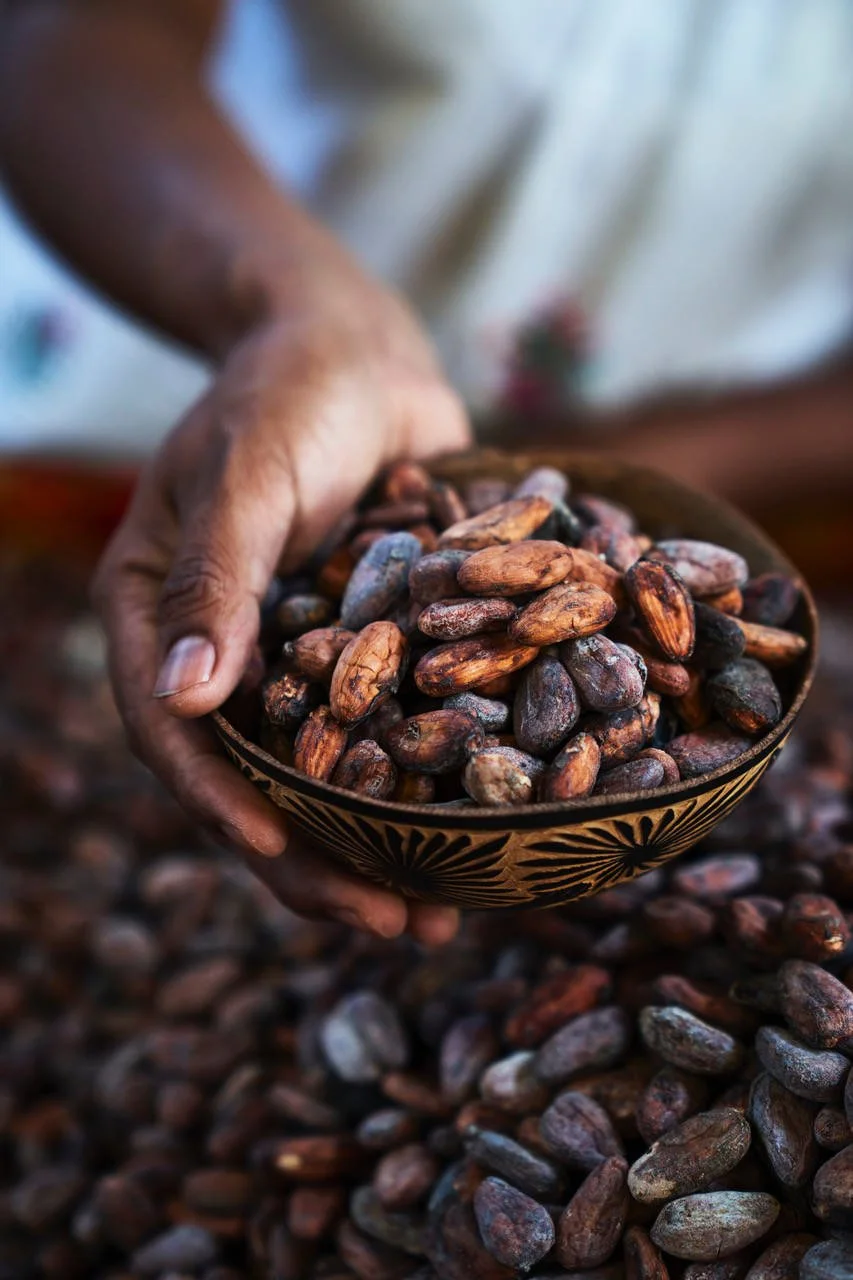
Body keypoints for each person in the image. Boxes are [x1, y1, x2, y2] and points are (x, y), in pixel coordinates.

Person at [2, 0, 852, 944]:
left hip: (738, 442)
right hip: (230, 401)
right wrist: (297, 314)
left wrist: (661, 462)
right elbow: (62, 25)